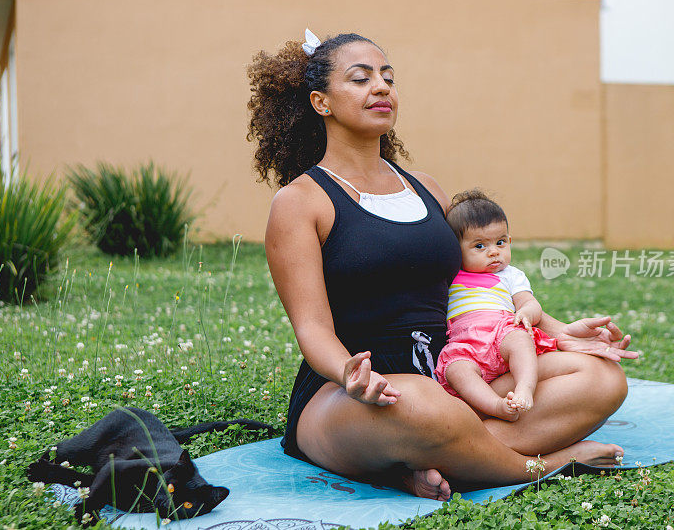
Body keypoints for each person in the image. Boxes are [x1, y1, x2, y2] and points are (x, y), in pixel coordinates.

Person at [247, 29, 638, 501]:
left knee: (601, 378)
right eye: (360, 78)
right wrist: (352, 375)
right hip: (354, 391)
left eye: (388, 77)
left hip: (452, 370)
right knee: (419, 407)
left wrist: (558, 331)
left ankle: (427, 461)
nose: (382, 87)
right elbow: (312, 328)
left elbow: (479, 282)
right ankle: (544, 464)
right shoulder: (301, 201)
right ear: (321, 102)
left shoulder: (425, 189)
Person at [435, 189, 560, 421]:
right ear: (455, 249)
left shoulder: (511, 275)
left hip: (501, 333)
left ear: (509, 241)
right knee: (456, 369)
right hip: (465, 343)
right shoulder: (449, 276)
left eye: (500, 242)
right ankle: (497, 406)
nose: (494, 252)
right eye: (480, 246)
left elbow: (530, 303)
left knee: (521, 340)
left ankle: (524, 388)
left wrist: (525, 313)